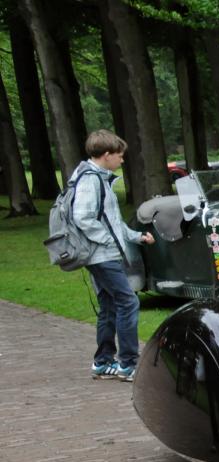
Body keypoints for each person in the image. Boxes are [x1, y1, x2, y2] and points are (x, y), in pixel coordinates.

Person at [72, 130, 156, 381]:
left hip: (103, 253)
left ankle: (103, 362)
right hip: (101, 256)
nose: (121, 160)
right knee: (128, 302)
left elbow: (113, 222)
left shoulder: (98, 178)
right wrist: (109, 241)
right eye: (119, 156)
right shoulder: (90, 180)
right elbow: (83, 217)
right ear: (106, 155)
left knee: (109, 306)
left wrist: (136, 237)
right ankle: (128, 363)